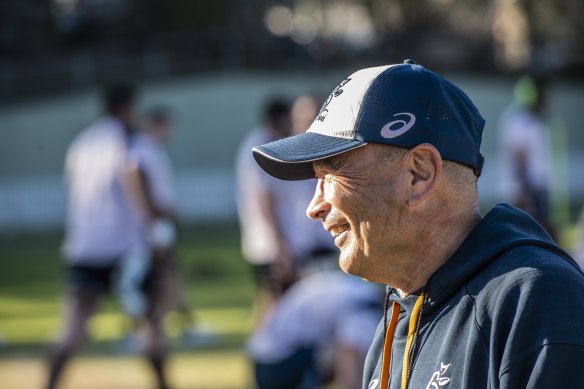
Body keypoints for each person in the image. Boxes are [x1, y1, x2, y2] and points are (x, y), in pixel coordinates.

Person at [251, 60, 584, 388]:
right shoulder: (401, 315)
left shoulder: (537, 300)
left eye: (331, 174)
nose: (314, 206)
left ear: (419, 174)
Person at [46, 84, 171, 389]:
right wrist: (156, 225)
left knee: (74, 324)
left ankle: (49, 383)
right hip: (127, 249)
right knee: (149, 322)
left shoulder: (82, 144)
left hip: (84, 247)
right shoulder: (130, 141)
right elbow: (134, 176)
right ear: (128, 107)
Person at [247, 267, 383, 389]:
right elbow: (349, 370)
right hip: (279, 366)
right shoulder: (364, 309)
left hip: (261, 360)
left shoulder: (357, 288)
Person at [234, 98, 295, 327]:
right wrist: (278, 242)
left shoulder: (261, 143)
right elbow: (263, 198)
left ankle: (262, 347)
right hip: (269, 243)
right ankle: (262, 349)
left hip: (266, 240)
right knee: (274, 299)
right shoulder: (262, 146)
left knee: (273, 298)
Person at [498, 74, 556, 238]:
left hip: (533, 190)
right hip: (527, 193)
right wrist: (528, 197)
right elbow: (519, 159)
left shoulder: (529, 121)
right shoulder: (523, 123)